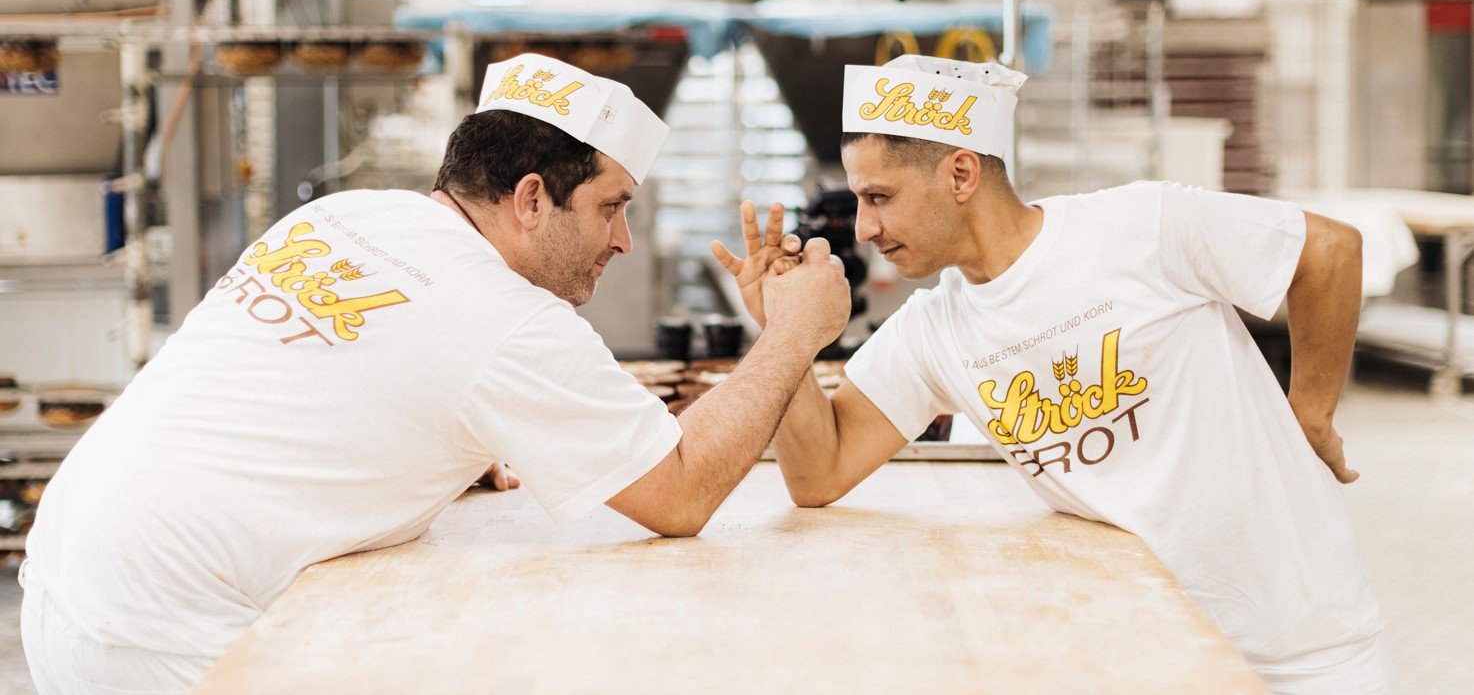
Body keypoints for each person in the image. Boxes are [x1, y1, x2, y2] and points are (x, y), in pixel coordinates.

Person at [21, 53, 850, 695]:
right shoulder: (510, 320)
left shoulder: (342, 215)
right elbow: (680, 494)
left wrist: (444, 450)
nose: (622, 241)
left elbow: (338, 381)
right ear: (531, 198)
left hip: (66, 575)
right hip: (174, 634)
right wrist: (792, 333)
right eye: (611, 205)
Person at [713, 54, 1397, 694]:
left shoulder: (1142, 226)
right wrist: (787, 334)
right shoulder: (934, 330)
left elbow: (1330, 252)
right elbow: (818, 474)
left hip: (1308, 651)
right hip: (1158, 658)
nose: (863, 228)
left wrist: (1310, 414)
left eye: (880, 196)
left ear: (960, 174)